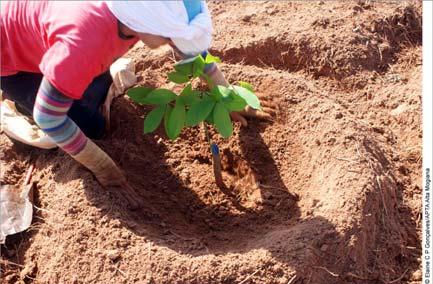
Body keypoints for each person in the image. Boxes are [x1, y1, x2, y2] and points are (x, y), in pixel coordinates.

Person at [1, 1, 271, 208]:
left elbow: (189, 48)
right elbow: (49, 117)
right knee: (88, 127)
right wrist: (103, 168)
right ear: (146, 23)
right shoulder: (86, 43)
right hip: (12, 59)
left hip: (53, 34)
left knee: (88, 85)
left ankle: (64, 75)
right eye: (168, 38)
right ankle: (17, 110)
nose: (172, 44)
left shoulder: (136, 10)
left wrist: (227, 98)